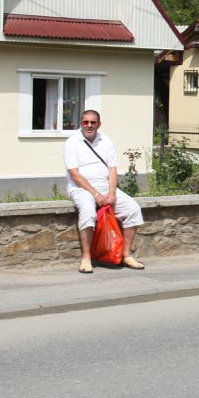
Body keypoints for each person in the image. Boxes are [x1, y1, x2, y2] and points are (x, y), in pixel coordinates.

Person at [63, 109, 145, 274]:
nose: (89, 125)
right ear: (81, 124)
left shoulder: (106, 141)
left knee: (133, 209)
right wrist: (96, 194)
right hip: (81, 188)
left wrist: (112, 193)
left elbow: (112, 170)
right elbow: (75, 175)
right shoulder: (72, 142)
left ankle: (125, 255)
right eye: (86, 122)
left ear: (98, 124)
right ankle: (86, 258)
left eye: (93, 122)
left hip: (105, 186)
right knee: (87, 212)